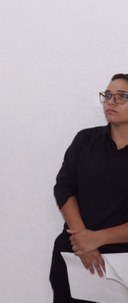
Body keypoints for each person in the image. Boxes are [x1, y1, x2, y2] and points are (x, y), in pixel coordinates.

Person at [49, 73, 128, 302]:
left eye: (122, 96)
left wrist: (98, 239)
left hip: (122, 260)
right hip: (75, 254)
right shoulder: (85, 140)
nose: (111, 101)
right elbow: (64, 188)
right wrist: (83, 239)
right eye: (108, 95)